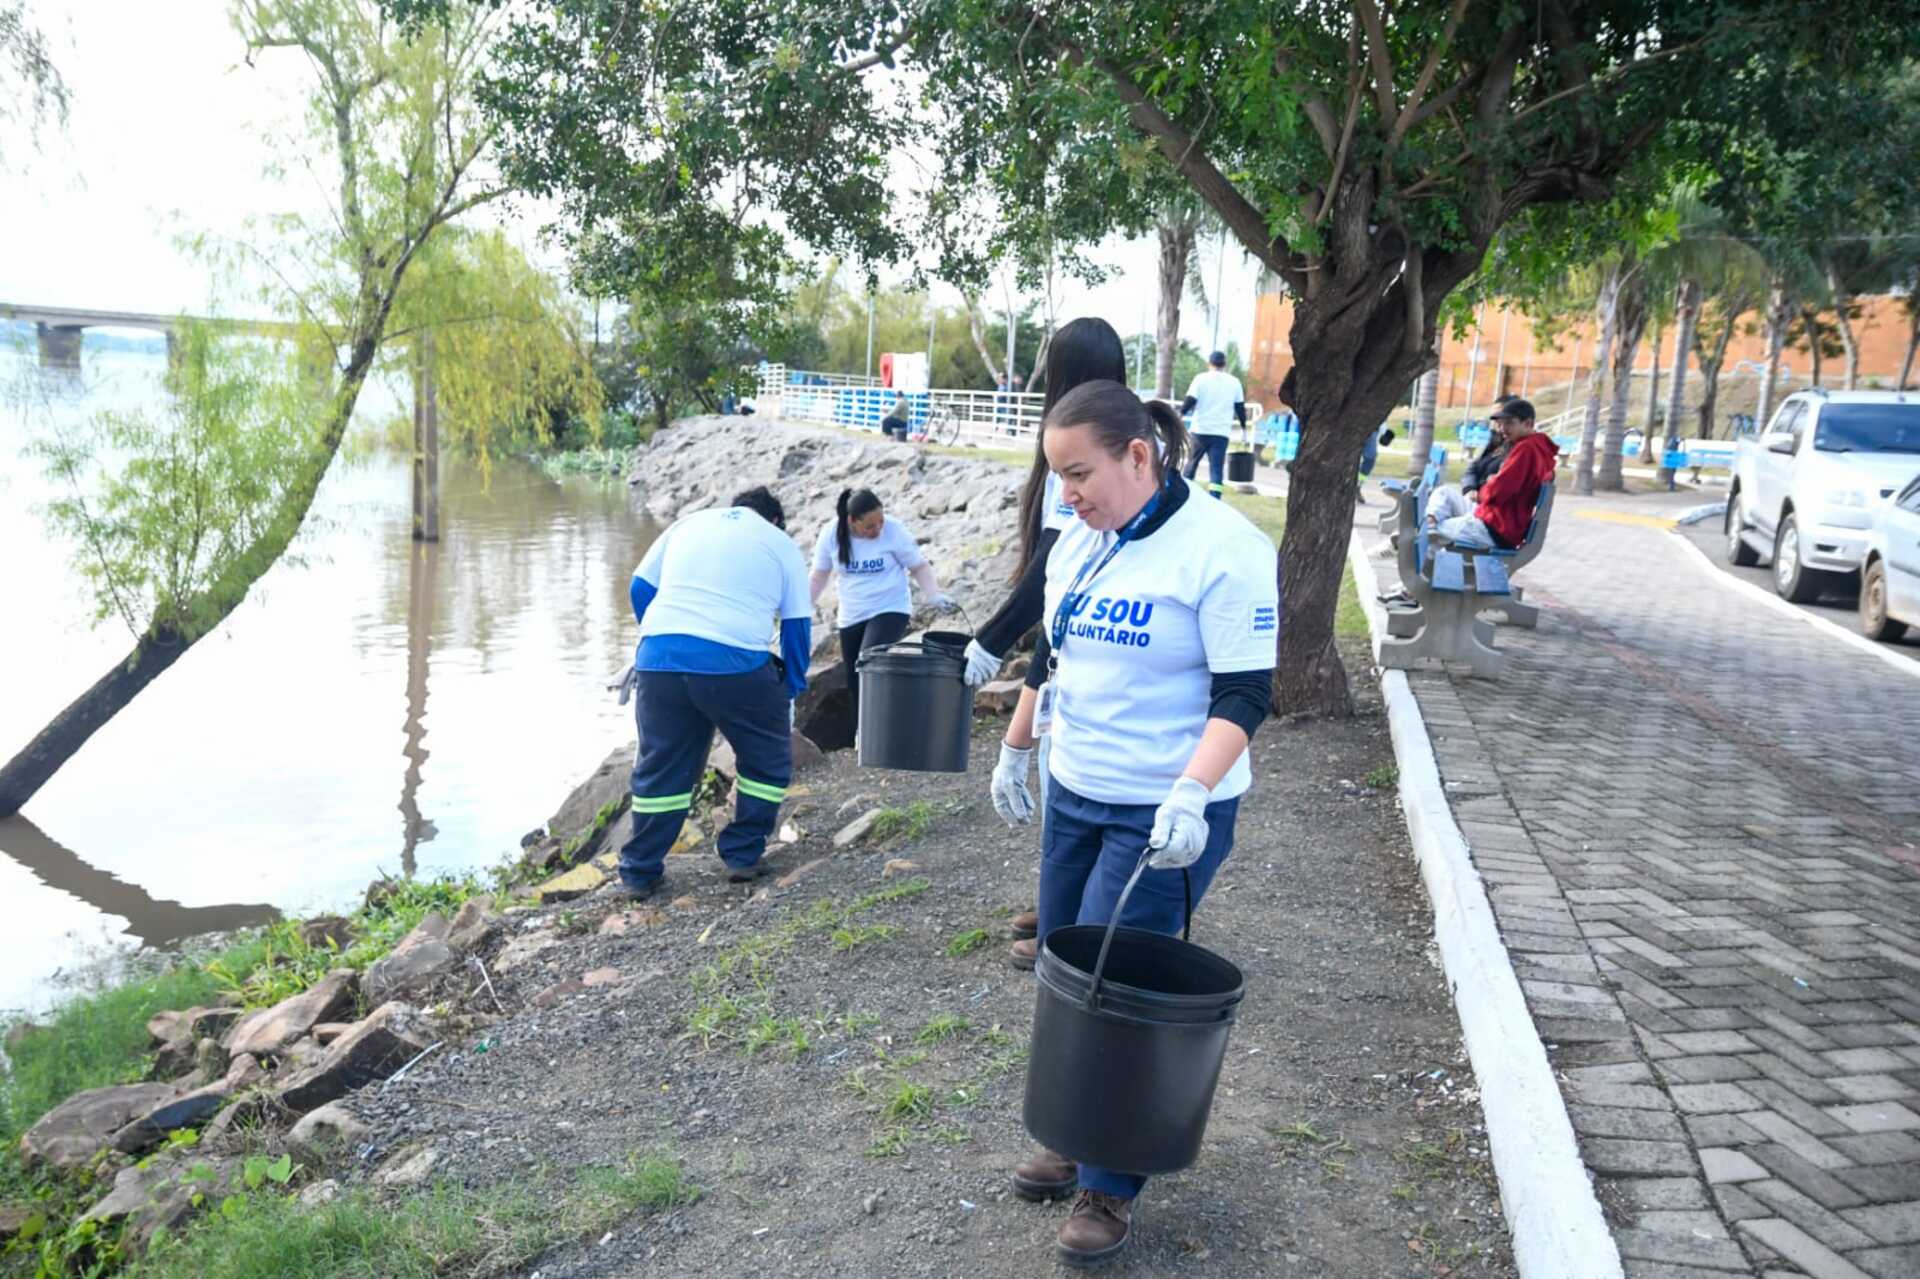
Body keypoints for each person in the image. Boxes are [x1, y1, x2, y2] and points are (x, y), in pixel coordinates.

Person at [990, 380, 1278, 1265]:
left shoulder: (1224, 548)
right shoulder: (1083, 537)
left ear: (1139, 456)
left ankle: (1108, 1187)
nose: (1066, 494)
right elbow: (1054, 642)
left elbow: (1244, 692)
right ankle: (1075, 1127)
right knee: (1061, 966)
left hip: (1163, 809)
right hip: (1077, 790)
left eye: (1079, 473)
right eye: (1057, 476)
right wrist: (1017, 743)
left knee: (1116, 989)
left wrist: (1192, 791)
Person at [961, 317, 1130, 963]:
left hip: (1103, 631)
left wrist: (990, 640)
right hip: (1081, 625)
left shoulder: (1092, 441)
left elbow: (1051, 569)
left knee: (1080, 787)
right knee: (1064, 784)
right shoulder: (1099, 430)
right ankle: (1059, 906)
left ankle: (1070, 936)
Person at [618, 487, 812, 898]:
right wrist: (790, 690)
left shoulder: (688, 524)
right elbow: (796, 628)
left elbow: (639, 587)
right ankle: (742, 854)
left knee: (662, 765)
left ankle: (640, 871)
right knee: (766, 756)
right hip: (735, 662)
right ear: (775, 520)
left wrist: (657, 638)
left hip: (659, 658)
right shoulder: (780, 543)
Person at [811, 489, 958, 732]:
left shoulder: (894, 530)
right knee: (855, 675)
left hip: (890, 607)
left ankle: (884, 728)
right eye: (869, 526)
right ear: (852, 522)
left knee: (869, 657)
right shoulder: (831, 535)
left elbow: (919, 566)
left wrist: (933, 595)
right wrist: (804, 609)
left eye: (880, 522)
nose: (877, 529)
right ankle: (864, 735)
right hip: (852, 613)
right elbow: (819, 576)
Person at [1424, 397, 1558, 550]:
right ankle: (1426, 527)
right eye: (1501, 423)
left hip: (1495, 528)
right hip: (1496, 520)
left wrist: (1487, 487)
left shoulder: (1526, 449)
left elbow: (1500, 490)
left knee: (1428, 532)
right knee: (1442, 496)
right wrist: (1491, 482)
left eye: (1509, 423)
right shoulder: (1537, 447)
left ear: (1528, 423)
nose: (1502, 428)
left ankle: (1415, 553)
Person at [1179, 351, 1244, 498]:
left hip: (1199, 430)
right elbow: (1240, 407)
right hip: (1221, 432)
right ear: (1224, 364)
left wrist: (1180, 415)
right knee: (1216, 470)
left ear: (1209, 363)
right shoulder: (1234, 382)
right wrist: (1244, 427)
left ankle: (1183, 496)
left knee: (1191, 464)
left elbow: (1190, 400)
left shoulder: (1200, 379)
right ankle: (1215, 499)